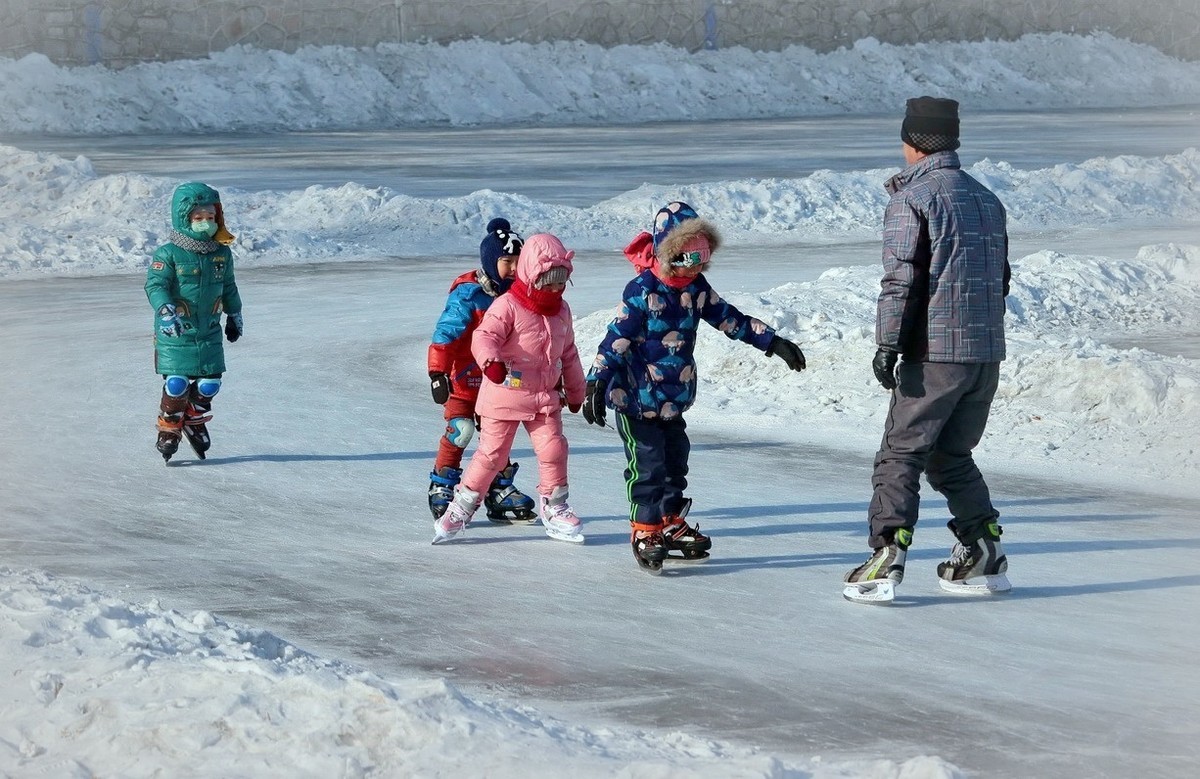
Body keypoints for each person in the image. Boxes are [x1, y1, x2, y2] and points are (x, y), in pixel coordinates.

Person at [843, 97, 1013, 604]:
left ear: (912, 141)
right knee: (950, 455)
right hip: (984, 354)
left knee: (901, 453)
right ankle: (983, 552)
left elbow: (901, 280)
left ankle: (886, 556)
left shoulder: (913, 199)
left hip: (936, 355)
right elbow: (1001, 278)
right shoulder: (986, 198)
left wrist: (888, 344)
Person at [583, 201, 807, 574]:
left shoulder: (696, 289)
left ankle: (669, 521)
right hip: (635, 399)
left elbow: (730, 319)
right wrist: (596, 381)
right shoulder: (642, 290)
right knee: (648, 466)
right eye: (690, 258)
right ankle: (645, 530)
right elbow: (616, 339)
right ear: (669, 254)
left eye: (703, 257)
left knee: (676, 462)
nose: (696, 266)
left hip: (673, 398)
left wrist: (773, 342)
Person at [433, 232, 587, 545]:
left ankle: (555, 506)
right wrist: (490, 362)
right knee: (491, 455)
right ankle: (461, 506)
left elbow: (569, 352)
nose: (555, 290)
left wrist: (576, 390)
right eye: (548, 283)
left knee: (554, 449)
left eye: (561, 283)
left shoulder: (562, 311)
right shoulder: (508, 305)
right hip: (504, 394)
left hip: (543, 396)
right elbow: (484, 336)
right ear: (531, 276)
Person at [426, 218, 538, 522]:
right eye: (506, 261)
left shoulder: (522, 295)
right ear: (490, 262)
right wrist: (437, 372)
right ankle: (442, 482)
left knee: (497, 436)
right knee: (461, 430)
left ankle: (498, 487)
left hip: (499, 381)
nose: (513, 268)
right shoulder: (469, 295)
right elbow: (446, 332)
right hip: (463, 380)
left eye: (518, 261)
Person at [145, 182, 243, 463]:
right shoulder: (168, 253)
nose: (206, 222)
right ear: (184, 218)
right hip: (176, 330)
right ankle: (169, 425)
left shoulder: (221, 253)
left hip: (209, 329)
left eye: (210, 217)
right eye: (198, 217)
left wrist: (234, 314)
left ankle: (193, 418)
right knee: (176, 384)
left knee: (210, 384)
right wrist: (165, 311)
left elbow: (229, 286)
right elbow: (155, 285)